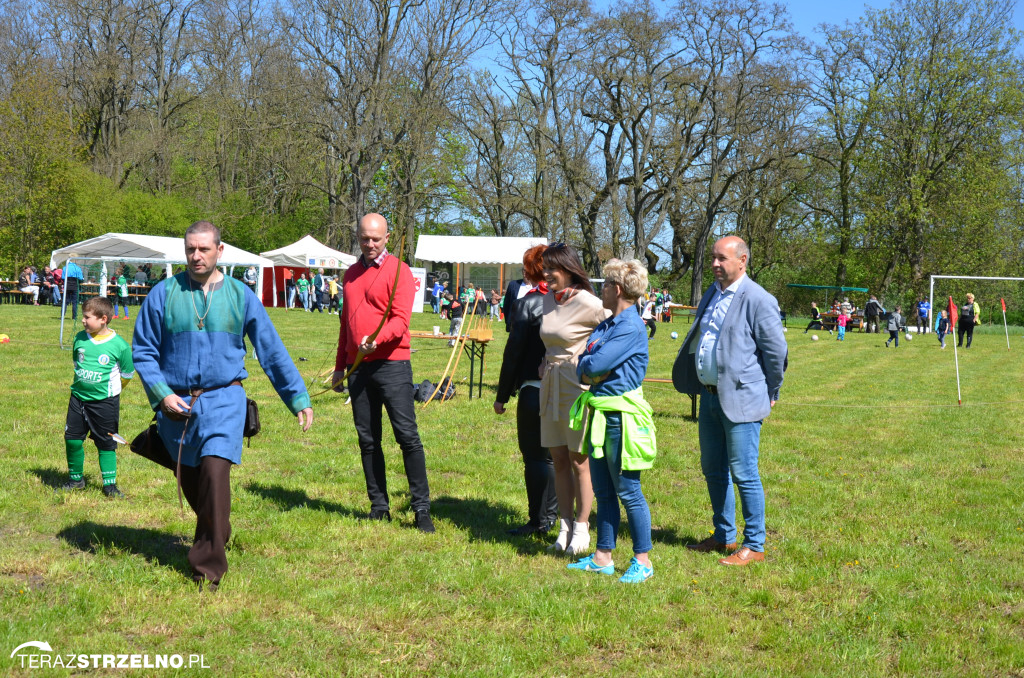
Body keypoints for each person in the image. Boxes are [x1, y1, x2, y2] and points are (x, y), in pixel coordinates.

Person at [133, 220, 314, 590]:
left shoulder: (239, 295)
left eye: (203, 249)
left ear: (220, 250)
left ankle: (207, 568)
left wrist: (296, 396)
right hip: (177, 407)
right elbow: (144, 351)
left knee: (216, 474)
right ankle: (220, 528)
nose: (196, 256)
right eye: (190, 249)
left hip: (224, 400)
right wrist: (162, 393)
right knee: (197, 484)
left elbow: (271, 349)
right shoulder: (163, 294)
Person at [671, 236, 786, 566]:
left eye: (722, 258)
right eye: (713, 258)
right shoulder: (713, 291)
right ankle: (723, 535)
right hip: (709, 398)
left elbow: (776, 353)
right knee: (712, 469)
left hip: (743, 400)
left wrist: (771, 391)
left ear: (742, 260)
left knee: (744, 472)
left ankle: (755, 544)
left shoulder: (759, 299)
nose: (715, 264)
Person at [332, 213, 434, 532]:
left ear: (387, 238)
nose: (370, 244)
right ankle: (379, 506)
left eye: (376, 238)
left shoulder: (400, 272)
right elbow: (344, 325)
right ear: (358, 237)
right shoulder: (349, 275)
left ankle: (421, 510)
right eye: (365, 238)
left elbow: (401, 321)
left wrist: (377, 340)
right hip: (358, 368)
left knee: (407, 436)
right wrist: (340, 366)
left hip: (392, 364)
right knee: (368, 439)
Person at [566, 259, 656, 584]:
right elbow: (587, 363)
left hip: (622, 419)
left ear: (616, 290)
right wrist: (589, 365)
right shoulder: (608, 324)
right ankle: (603, 557)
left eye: (604, 283)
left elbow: (593, 363)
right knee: (604, 491)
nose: (600, 287)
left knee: (628, 490)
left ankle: (642, 560)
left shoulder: (630, 327)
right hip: (601, 413)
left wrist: (589, 365)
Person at [539, 244, 610, 556]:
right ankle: (564, 525)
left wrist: (596, 366)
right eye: (543, 268)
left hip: (576, 387)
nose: (545, 274)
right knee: (559, 460)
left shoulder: (590, 303)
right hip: (550, 385)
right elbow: (551, 339)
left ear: (568, 269)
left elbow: (616, 330)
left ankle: (583, 526)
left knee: (580, 459)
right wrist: (545, 360)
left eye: (550, 268)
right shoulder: (547, 299)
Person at [494, 245, 557, 536]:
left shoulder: (527, 304)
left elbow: (513, 353)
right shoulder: (570, 301)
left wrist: (502, 395)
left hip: (534, 386)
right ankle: (554, 516)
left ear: (530, 271)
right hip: (566, 388)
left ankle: (538, 520)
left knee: (534, 456)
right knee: (555, 456)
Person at [60, 296, 135, 498]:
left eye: (87, 317)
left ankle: (110, 486)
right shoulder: (79, 338)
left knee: (106, 443)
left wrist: (111, 391)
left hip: (104, 402)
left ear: (103, 319)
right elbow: (77, 362)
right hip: (77, 398)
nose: (83, 321)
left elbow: (127, 374)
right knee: (73, 440)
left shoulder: (119, 345)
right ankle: (76, 480)